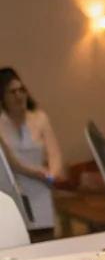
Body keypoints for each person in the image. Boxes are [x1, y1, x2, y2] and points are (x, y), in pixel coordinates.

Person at [0, 67, 64, 239]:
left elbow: (54, 153)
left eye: (21, 90)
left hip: (42, 189)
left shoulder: (39, 118)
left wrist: (52, 174)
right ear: (3, 97)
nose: (19, 96)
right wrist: (38, 173)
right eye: (12, 92)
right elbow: (11, 162)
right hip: (14, 190)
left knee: (46, 240)